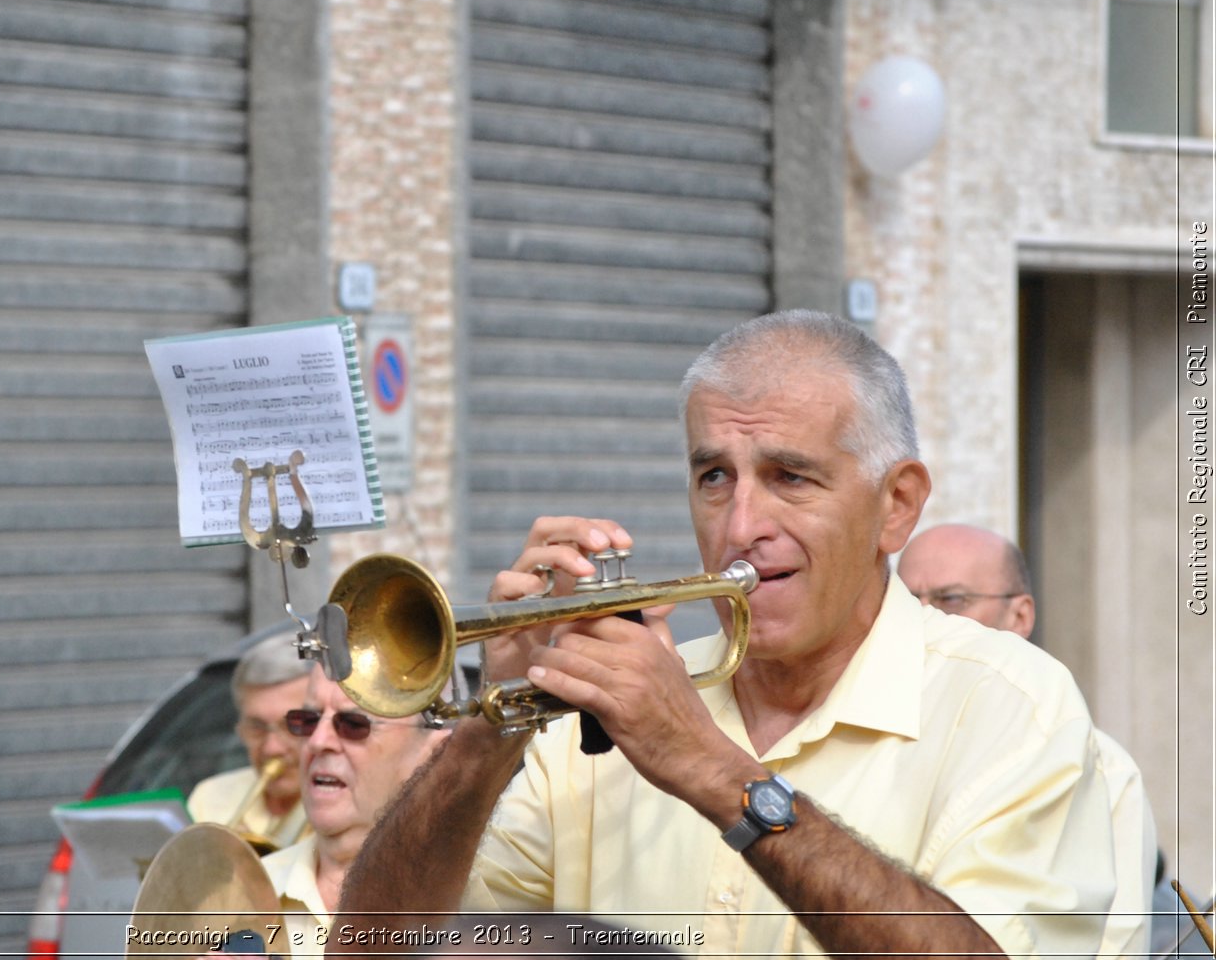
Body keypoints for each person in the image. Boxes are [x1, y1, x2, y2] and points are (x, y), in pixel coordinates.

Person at [330, 310, 1120, 958]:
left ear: (897, 505)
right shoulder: (600, 719)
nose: (742, 527)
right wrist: (489, 728)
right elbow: (374, 951)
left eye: (791, 477)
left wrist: (705, 763)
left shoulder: (1015, 704)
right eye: (714, 477)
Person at [897, 523, 1157, 958]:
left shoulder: (1102, 770)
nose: (922, 618)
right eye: (905, 603)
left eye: (951, 599)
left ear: (1020, 616)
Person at [262, 664, 450, 958]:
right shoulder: (238, 893)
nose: (317, 742)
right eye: (307, 721)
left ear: (434, 753)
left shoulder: (491, 894)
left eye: (353, 724)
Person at [186, 632, 313, 849]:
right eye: (257, 727)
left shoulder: (341, 805)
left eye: (292, 725)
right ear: (240, 729)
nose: (272, 748)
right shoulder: (208, 797)